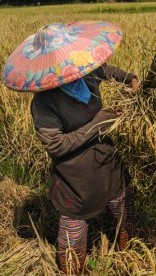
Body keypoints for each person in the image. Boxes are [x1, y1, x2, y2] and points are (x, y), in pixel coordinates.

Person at [2, 22, 139, 275]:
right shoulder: (45, 103)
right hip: (75, 177)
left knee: (123, 204)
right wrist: (97, 123)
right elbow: (56, 145)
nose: (70, 68)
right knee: (74, 232)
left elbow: (106, 70)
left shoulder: (85, 73)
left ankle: (128, 255)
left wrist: (130, 78)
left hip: (106, 161)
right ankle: (75, 269)